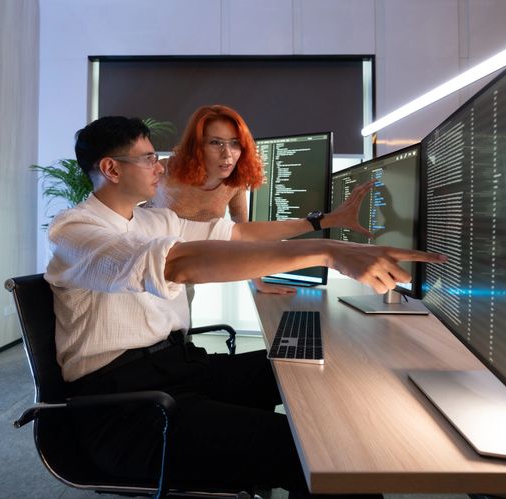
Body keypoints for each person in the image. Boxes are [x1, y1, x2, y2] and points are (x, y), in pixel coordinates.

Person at [45, 116, 446, 496]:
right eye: (149, 158)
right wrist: (325, 252)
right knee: (311, 452)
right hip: (125, 408)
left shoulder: (154, 221)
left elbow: (238, 235)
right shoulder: (75, 230)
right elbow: (177, 264)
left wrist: (322, 224)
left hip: (178, 369)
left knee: (311, 369)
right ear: (112, 169)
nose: (160, 167)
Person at [148, 104, 300, 295]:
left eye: (235, 143)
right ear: (197, 146)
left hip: (187, 272)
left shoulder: (233, 183)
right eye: (215, 142)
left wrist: (258, 282)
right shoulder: (165, 170)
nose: (227, 154)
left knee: (184, 310)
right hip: (147, 264)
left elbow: (244, 233)